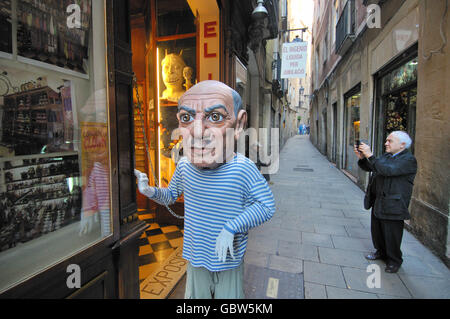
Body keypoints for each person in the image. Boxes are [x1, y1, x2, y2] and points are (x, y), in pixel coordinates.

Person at [134, 80, 276, 298]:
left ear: (238, 125)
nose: (198, 132)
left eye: (215, 117)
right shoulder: (184, 167)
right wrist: (149, 191)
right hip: (196, 256)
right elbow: (171, 196)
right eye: (186, 118)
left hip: (229, 259)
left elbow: (266, 205)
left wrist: (231, 227)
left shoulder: (243, 169)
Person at [354, 131, 417, 273]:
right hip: (379, 201)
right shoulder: (387, 156)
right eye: (386, 140)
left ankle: (394, 261)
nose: (386, 143)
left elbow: (388, 170)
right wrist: (363, 158)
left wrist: (370, 155)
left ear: (402, 145)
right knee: (377, 230)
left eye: (390, 141)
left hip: (394, 204)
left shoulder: (408, 160)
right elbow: (372, 167)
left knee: (392, 234)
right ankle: (380, 252)